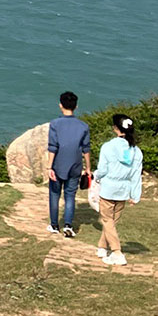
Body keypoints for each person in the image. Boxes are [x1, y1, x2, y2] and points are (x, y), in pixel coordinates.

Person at [92, 113, 143, 265]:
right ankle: (102, 247)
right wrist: (135, 195)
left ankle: (117, 252)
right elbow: (136, 174)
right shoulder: (136, 151)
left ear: (115, 128)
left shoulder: (108, 147)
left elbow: (102, 169)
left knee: (107, 220)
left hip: (108, 188)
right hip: (123, 190)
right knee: (112, 221)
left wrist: (96, 176)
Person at [47, 91, 91, 238]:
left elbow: (53, 147)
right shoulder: (83, 126)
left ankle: (54, 225)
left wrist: (49, 167)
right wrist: (88, 168)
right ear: (76, 106)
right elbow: (86, 149)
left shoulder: (55, 124)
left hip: (58, 165)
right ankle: (68, 225)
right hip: (75, 166)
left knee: (54, 194)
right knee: (70, 196)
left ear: (60, 105)